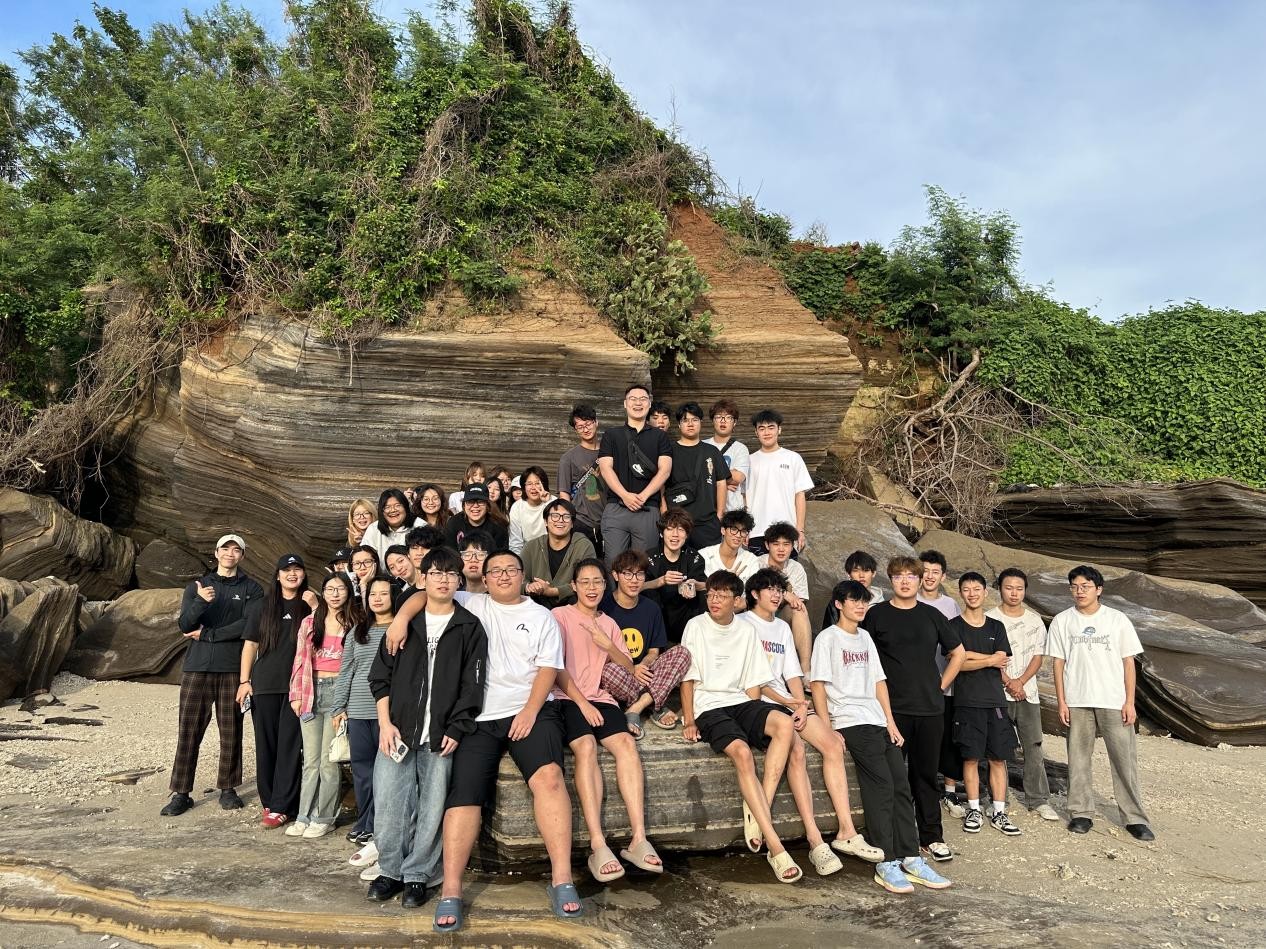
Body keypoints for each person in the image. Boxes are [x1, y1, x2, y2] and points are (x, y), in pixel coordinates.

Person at [385, 551, 581, 933]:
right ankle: (452, 889)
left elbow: (548, 668)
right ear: (485, 579)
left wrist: (529, 711)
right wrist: (401, 619)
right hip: (479, 716)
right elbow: (425, 593)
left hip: (531, 709)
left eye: (511, 570)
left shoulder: (541, 616)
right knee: (464, 796)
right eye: (496, 571)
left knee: (550, 778)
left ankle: (562, 878)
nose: (504, 576)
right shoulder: (471, 602)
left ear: (523, 576)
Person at [810, 580, 952, 894]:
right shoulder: (827, 638)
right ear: (839, 604)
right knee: (881, 785)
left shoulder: (865, 637)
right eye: (853, 601)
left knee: (901, 785)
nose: (860, 606)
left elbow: (879, 682)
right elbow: (818, 684)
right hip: (850, 720)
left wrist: (890, 722)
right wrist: (826, 727)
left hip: (876, 718)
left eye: (864, 601)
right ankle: (886, 861)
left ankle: (911, 856)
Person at [366, 549, 488, 911]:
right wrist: (385, 723)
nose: (443, 580)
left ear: (459, 580)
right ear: (424, 578)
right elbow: (380, 677)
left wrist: (458, 726)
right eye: (436, 573)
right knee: (389, 803)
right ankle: (390, 870)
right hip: (398, 731)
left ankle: (418, 874)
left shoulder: (468, 626)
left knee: (432, 808)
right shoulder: (406, 624)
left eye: (450, 574)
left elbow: (472, 685)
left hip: (440, 735)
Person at [745, 569, 881, 871]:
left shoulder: (782, 628)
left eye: (780, 590)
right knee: (796, 750)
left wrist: (800, 703)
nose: (777, 595)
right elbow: (750, 679)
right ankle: (814, 838)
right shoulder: (743, 624)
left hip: (787, 701)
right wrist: (788, 703)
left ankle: (846, 832)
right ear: (754, 594)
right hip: (761, 704)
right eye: (770, 589)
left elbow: (792, 673)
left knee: (832, 744)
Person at [680, 570, 803, 884]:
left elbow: (753, 683)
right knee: (742, 753)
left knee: (784, 724)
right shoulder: (696, 626)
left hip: (740, 700)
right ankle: (775, 847)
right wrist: (690, 719)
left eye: (722, 596)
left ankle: (759, 804)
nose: (714, 601)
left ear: (737, 601)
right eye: (711, 594)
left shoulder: (746, 631)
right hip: (709, 705)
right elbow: (688, 678)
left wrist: (760, 714)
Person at [553, 558, 663, 883]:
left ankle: (638, 838)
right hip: (567, 697)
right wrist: (581, 703)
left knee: (626, 744)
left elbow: (627, 666)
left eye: (597, 582)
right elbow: (554, 667)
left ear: (605, 585)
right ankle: (597, 843)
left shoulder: (610, 623)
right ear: (574, 586)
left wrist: (607, 643)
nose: (592, 588)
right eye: (585, 582)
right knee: (586, 746)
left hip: (601, 698)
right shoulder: (559, 616)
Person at [863, 556, 965, 863]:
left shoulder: (932, 615)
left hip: (930, 708)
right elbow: (864, 658)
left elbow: (958, 653)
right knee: (891, 777)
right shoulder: (876, 614)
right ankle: (893, 837)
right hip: (890, 709)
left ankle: (931, 837)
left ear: (920, 581)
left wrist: (940, 685)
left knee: (925, 775)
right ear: (890, 580)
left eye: (911, 576)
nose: (905, 581)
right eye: (898, 576)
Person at [1048, 565, 1154, 841]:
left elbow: (1128, 663)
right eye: (1074, 586)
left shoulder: (1117, 620)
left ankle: (1134, 818)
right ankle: (1081, 813)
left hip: (1113, 700)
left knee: (1124, 760)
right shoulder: (1062, 621)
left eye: (1085, 586)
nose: (1079, 591)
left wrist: (1130, 702)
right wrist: (1062, 701)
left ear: (1099, 589)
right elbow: (1058, 663)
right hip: (1077, 699)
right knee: (1078, 759)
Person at [162, 534, 264, 817]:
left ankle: (228, 788)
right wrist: (200, 602)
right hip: (197, 667)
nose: (230, 553)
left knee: (231, 730)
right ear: (216, 553)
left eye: (236, 550)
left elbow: (249, 625)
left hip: (232, 668)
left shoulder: (252, 589)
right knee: (189, 730)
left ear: (242, 555)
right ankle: (181, 792)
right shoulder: (198, 586)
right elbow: (185, 625)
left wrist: (209, 634)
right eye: (225, 549)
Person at [238, 553, 317, 828]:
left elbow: (327, 632)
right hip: (265, 685)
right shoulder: (263, 605)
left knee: (290, 746)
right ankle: (269, 802)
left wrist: (316, 605)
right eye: (287, 570)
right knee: (266, 745)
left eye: (297, 569)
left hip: (298, 686)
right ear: (278, 575)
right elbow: (250, 645)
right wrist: (244, 681)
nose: (292, 574)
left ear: (304, 573)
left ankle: (283, 805)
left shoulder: (310, 604)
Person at [287, 572, 362, 839]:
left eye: (340, 588)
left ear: (348, 592)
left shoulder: (356, 622)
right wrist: (295, 695)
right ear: (323, 592)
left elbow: (357, 664)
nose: (335, 594)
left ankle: (324, 818)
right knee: (310, 761)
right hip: (311, 691)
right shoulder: (310, 622)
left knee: (329, 761)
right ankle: (304, 815)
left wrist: (348, 702)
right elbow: (299, 660)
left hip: (338, 694)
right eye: (330, 589)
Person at [949, 572, 1021, 836]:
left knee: (998, 758)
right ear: (961, 593)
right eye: (966, 589)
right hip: (967, 702)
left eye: (976, 589)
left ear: (985, 592)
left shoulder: (996, 627)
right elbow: (957, 663)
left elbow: (1002, 657)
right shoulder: (953, 626)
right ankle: (974, 809)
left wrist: (970, 656)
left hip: (995, 702)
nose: (972, 594)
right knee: (970, 758)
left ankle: (999, 812)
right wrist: (988, 660)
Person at [986, 568, 1060, 822]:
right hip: (997, 693)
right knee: (997, 748)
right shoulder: (989, 618)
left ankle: (1038, 800)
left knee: (1034, 746)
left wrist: (1020, 681)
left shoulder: (1034, 620)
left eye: (1019, 588)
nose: (1014, 593)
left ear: (1025, 590)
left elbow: (1038, 656)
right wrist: (1008, 681)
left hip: (1028, 693)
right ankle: (998, 800)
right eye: (1009, 588)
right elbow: (988, 657)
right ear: (1000, 589)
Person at [332, 576, 395, 855]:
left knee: (386, 773)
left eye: (384, 593)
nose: (377, 599)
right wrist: (338, 707)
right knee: (362, 771)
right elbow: (346, 670)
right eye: (373, 594)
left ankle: (379, 824)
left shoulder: (400, 627)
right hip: (358, 710)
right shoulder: (357, 631)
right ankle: (365, 822)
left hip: (388, 713)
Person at [599, 550, 692, 734]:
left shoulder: (651, 608)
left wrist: (643, 665)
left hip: (646, 673)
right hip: (620, 673)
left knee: (682, 653)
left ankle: (636, 707)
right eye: (628, 574)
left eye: (640, 574)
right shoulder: (604, 607)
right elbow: (602, 655)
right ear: (616, 575)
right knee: (608, 671)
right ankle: (653, 703)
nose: (634, 580)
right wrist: (631, 669)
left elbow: (653, 652)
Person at [597, 383, 673, 565]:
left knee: (645, 563)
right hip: (616, 506)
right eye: (633, 399)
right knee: (613, 562)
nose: (638, 403)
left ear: (649, 404)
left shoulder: (660, 436)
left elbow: (665, 470)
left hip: (648, 508)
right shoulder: (611, 434)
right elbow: (605, 468)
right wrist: (625, 495)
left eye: (643, 399)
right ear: (625, 403)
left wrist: (643, 497)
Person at [916, 549, 964, 816]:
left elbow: (957, 647)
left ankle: (950, 791)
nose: (930, 576)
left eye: (935, 572)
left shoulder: (950, 606)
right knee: (920, 740)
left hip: (946, 683)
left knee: (948, 739)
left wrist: (944, 683)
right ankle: (920, 790)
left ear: (943, 576)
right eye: (925, 571)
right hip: (917, 685)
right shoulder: (909, 600)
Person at [745, 409, 812, 556]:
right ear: (756, 432)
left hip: (787, 531)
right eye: (761, 428)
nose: (766, 432)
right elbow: (744, 497)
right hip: (757, 531)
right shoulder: (749, 461)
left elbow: (800, 495)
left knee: (788, 571)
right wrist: (745, 529)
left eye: (771, 427)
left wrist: (800, 530)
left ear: (779, 429)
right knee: (758, 571)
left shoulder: (793, 458)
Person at [664, 401, 728, 549]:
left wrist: (719, 515)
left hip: (708, 523)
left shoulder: (712, 451)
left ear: (701, 423)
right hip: (677, 523)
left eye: (695, 420)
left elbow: (721, 483)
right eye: (685, 420)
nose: (690, 424)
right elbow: (662, 485)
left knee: (709, 562)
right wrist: (665, 515)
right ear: (679, 425)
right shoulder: (669, 451)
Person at [643, 508, 707, 643]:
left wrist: (695, 585)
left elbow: (706, 585)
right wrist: (660, 581)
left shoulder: (694, 557)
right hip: (658, 618)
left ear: (687, 535)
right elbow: (636, 587)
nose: (675, 535)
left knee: (703, 596)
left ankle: (695, 639)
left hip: (687, 617)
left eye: (681, 530)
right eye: (670, 529)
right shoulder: (649, 558)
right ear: (662, 533)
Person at [521, 499, 597, 609]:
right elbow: (518, 579)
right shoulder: (532, 546)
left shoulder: (583, 546)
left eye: (566, 517)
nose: (560, 520)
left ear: (572, 523)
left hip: (571, 605)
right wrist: (529, 587)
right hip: (537, 605)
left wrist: (552, 591)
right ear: (546, 521)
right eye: (555, 516)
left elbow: (587, 581)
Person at [757, 521, 812, 672]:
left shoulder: (796, 568)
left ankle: (805, 669)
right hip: (758, 617)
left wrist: (787, 596)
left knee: (799, 609)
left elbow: (799, 601)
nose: (781, 549)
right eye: (776, 544)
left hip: (782, 618)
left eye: (786, 544)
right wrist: (785, 593)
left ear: (792, 546)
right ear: (767, 545)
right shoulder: (757, 564)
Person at [558, 404, 604, 556]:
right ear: (575, 430)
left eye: (588, 423)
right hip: (582, 520)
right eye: (580, 426)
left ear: (596, 422)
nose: (585, 429)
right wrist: (569, 520)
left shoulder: (609, 451)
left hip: (609, 517)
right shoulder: (568, 458)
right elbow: (564, 494)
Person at [820, 549, 885, 629]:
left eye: (866, 570)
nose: (861, 575)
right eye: (856, 571)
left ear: (874, 573)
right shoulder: (839, 601)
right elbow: (830, 630)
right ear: (848, 574)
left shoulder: (882, 604)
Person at [361, 489, 424, 568]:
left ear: (406, 507)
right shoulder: (373, 529)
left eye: (398, 505)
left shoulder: (420, 526)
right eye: (387, 507)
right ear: (381, 511)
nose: (393, 510)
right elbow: (363, 556)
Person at [706, 398, 749, 513]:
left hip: (732, 510)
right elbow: (694, 478)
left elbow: (737, 478)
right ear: (713, 420)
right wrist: (722, 484)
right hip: (706, 510)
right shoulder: (703, 445)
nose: (723, 421)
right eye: (718, 417)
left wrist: (710, 478)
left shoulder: (740, 448)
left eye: (728, 417)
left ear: (734, 422)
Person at [700, 510, 760, 583]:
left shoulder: (751, 559)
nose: (738, 535)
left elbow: (755, 588)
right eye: (734, 529)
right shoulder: (704, 555)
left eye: (743, 531)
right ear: (723, 530)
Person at [444, 483, 508, 550]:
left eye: (480, 502)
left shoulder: (498, 526)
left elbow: (501, 554)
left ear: (487, 506)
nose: (475, 506)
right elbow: (449, 552)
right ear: (464, 506)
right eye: (470, 502)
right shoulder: (454, 523)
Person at [509, 466, 557, 554]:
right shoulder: (517, 507)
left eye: (537, 483)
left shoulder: (553, 501)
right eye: (529, 484)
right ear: (524, 487)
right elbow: (515, 542)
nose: (533, 487)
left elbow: (558, 528)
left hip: (551, 551)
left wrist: (547, 503)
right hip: (528, 553)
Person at [455, 531, 492, 601]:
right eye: (467, 554)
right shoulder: (454, 596)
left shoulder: (498, 597)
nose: (473, 560)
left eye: (480, 555)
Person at [348, 545, 381, 610]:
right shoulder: (348, 588)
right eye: (357, 563)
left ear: (375, 563)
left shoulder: (386, 584)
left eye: (367, 562)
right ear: (352, 567)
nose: (362, 568)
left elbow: (368, 614)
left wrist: (363, 583)